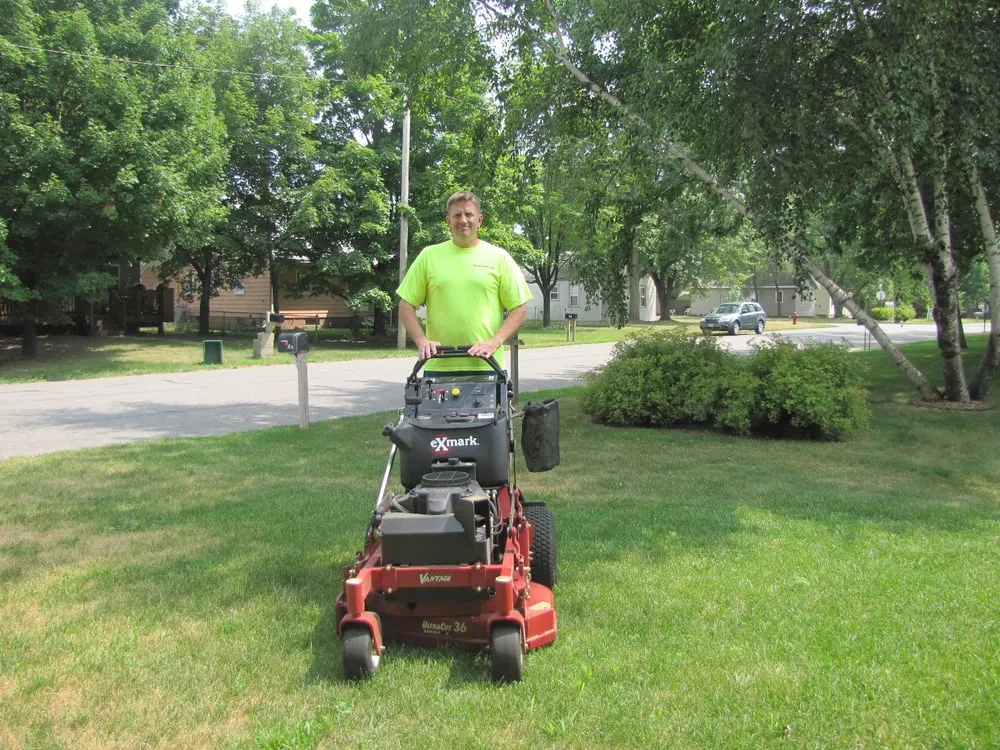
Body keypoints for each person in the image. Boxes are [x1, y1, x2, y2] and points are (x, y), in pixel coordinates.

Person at [396, 190, 532, 373]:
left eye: (469, 214)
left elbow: (519, 309)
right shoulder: (429, 256)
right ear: (448, 221)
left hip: (487, 367)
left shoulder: (499, 258)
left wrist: (495, 341)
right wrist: (421, 341)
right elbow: (406, 305)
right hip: (439, 366)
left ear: (479, 220)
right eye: (457, 215)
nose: (463, 220)